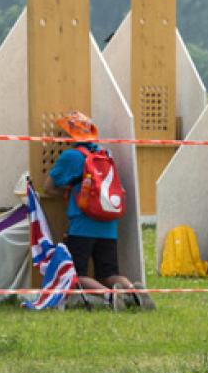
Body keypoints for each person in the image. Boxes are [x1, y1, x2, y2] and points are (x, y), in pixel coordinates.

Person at [43, 111, 154, 312]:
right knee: (109, 272)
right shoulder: (105, 154)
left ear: (71, 136)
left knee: (76, 273)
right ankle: (132, 291)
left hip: (82, 224)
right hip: (109, 224)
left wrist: (68, 191)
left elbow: (48, 187)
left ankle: (109, 296)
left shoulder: (71, 156)